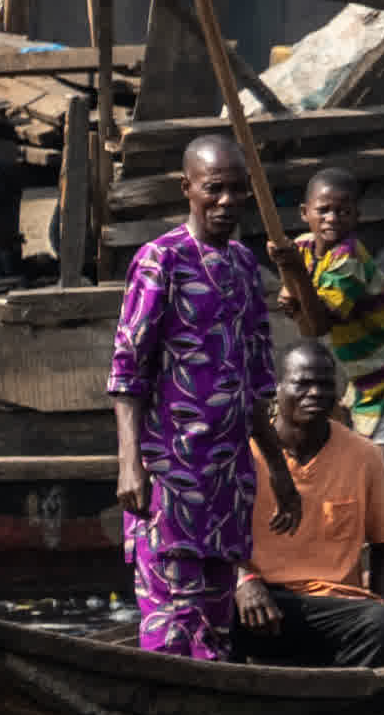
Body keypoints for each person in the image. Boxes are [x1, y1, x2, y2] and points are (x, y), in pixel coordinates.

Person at [106, 132, 282, 660]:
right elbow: (127, 372)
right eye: (214, 189)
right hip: (172, 481)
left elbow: (255, 386)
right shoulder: (161, 261)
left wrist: (281, 472)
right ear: (187, 189)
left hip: (228, 485)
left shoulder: (245, 268)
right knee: (172, 627)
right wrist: (129, 464)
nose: (227, 201)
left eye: (237, 190)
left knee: (217, 630)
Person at [239, 342, 384, 670]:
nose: (315, 393)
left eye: (325, 384)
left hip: (335, 609)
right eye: (302, 383)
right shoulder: (245, 453)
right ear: (278, 388)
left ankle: (338, 684)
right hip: (261, 604)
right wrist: (244, 581)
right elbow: (212, 539)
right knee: (205, 610)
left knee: (381, 625)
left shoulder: (364, 456)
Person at [277, 165, 384, 437]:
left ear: (357, 217)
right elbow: (307, 322)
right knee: (356, 436)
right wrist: (292, 300)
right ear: (304, 213)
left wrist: (298, 279)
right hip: (363, 362)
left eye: (343, 212)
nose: (332, 219)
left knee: (378, 447)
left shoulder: (348, 259)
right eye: (323, 210)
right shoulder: (301, 249)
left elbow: (320, 324)